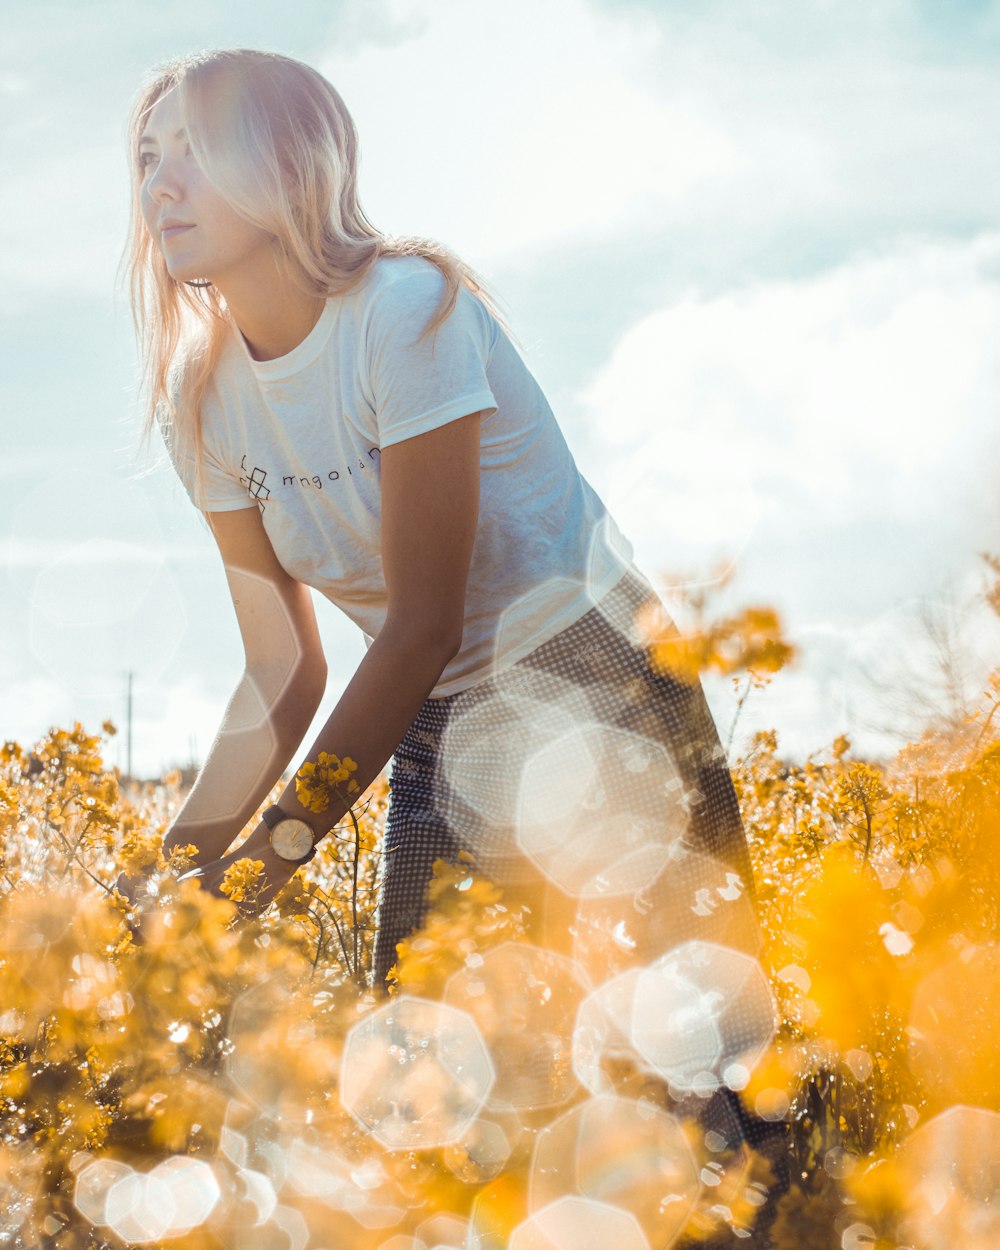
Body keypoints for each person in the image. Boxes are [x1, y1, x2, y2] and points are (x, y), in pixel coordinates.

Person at [119, 49, 786, 1196]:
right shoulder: (200, 400)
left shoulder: (405, 309)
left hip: (601, 679)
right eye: (146, 159)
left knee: (705, 1086)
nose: (160, 185)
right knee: (431, 1091)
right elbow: (280, 671)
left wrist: (265, 864)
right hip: (435, 716)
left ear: (287, 166)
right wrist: (170, 889)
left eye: (193, 151)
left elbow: (419, 623)